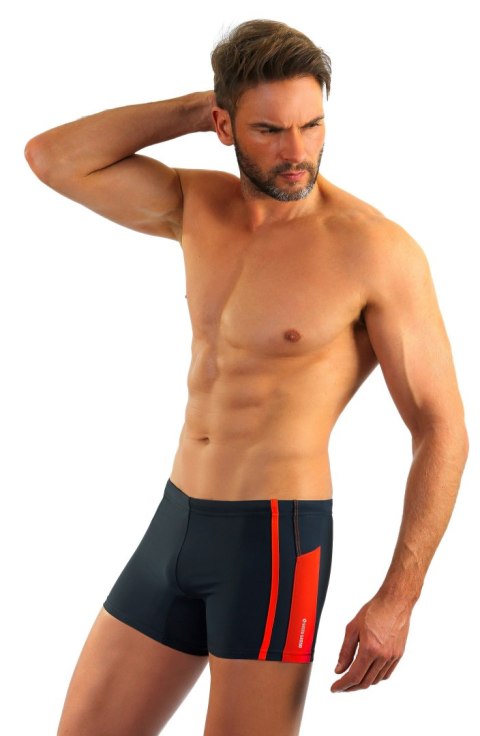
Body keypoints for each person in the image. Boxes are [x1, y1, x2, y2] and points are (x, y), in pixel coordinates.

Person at [25, 18, 469, 736]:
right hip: (175, 521)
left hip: (274, 543)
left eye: (311, 125)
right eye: (269, 129)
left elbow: (441, 428)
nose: (297, 152)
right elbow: (52, 158)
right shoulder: (196, 207)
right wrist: (196, 107)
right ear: (224, 125)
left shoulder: (375, 252)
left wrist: (400, 597)